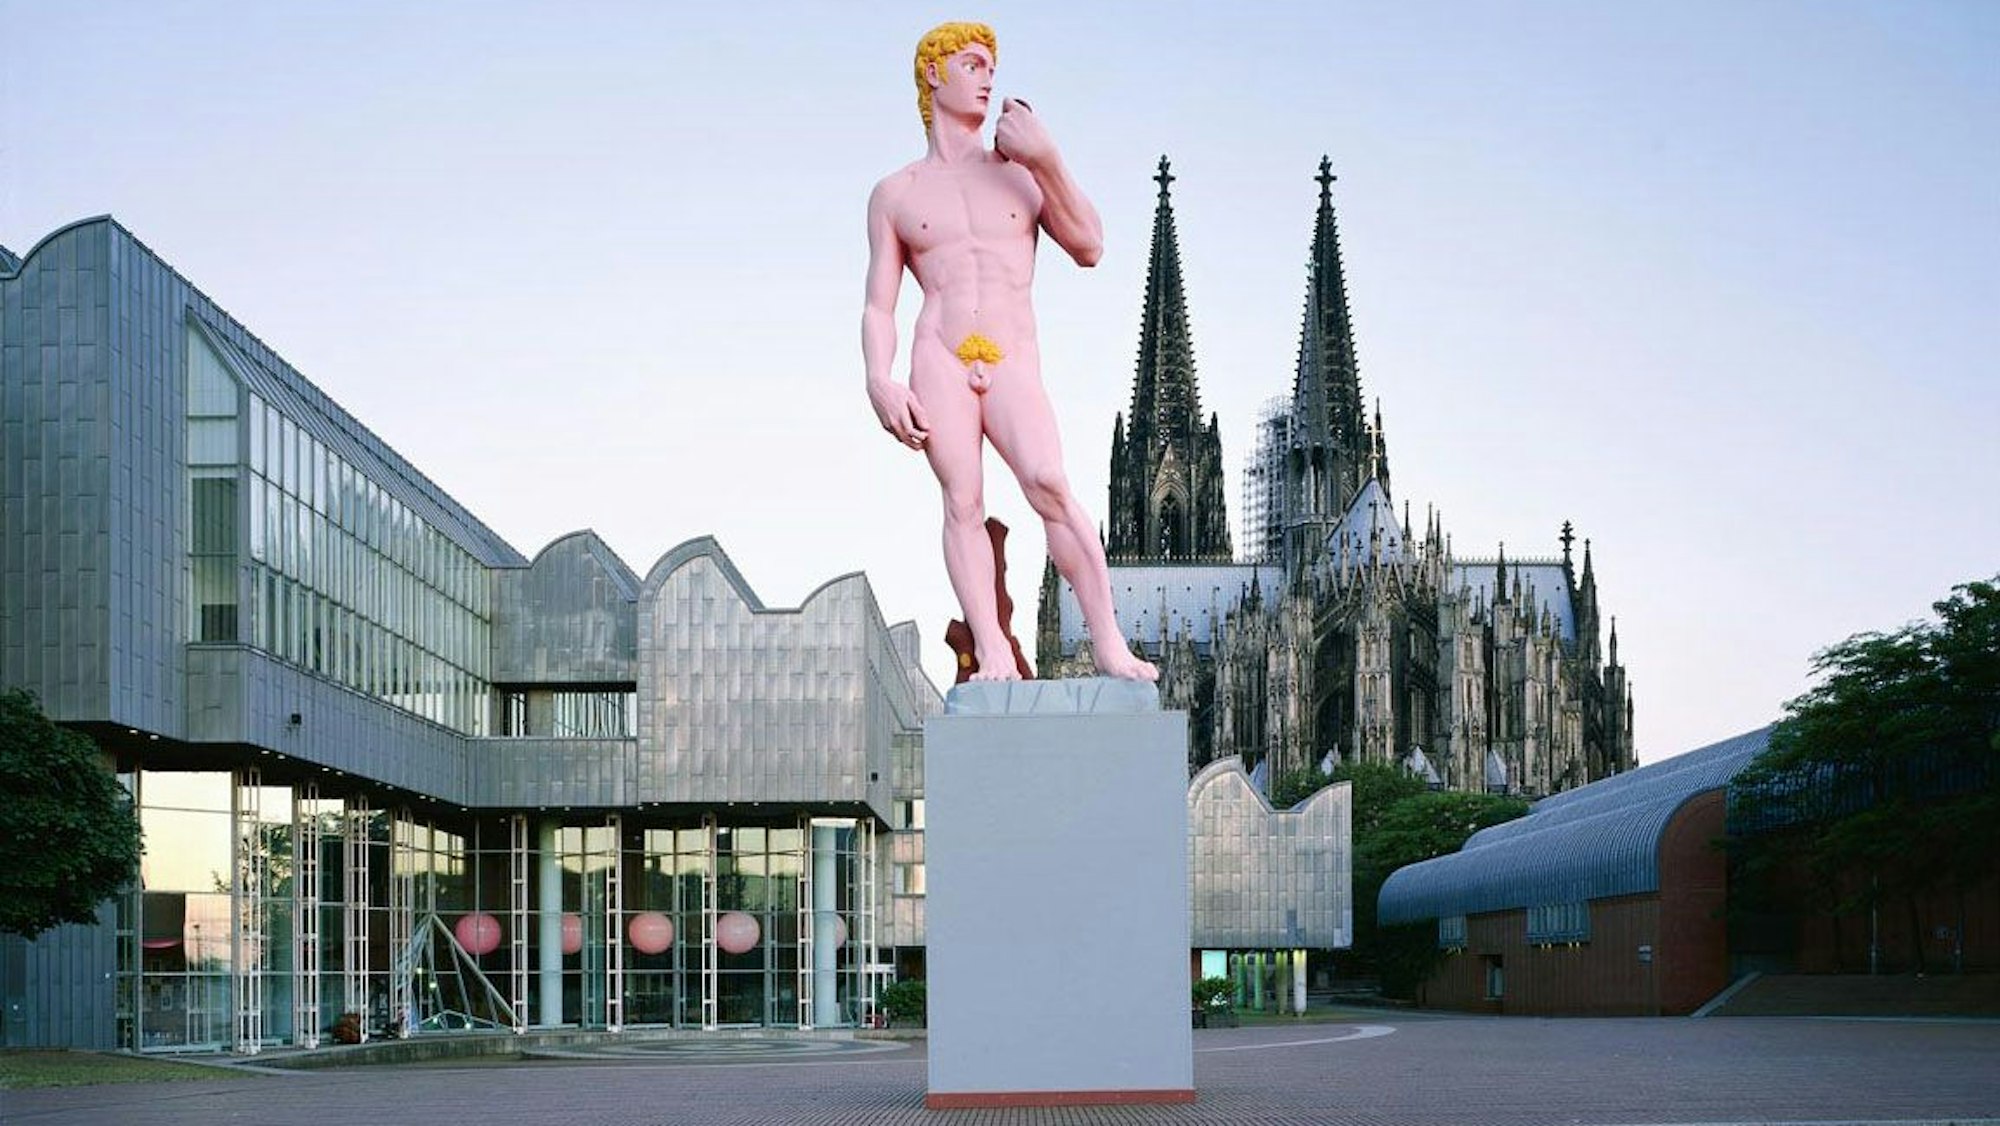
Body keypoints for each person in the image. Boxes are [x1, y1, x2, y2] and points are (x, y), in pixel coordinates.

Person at [862, 21, 1157, 683]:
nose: (988, 76)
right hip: (938, 357)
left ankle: (1107, 641)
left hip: (1011, 356)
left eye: (992, 65)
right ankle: (992, 649)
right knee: (962, 503)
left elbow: (1089, 245)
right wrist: (878, 379)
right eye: (972, 64)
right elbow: (879, 302)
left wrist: (1048, 158)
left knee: (1050, 484)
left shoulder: (1020, 175)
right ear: (933, 75)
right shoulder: (896, 193)